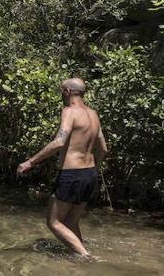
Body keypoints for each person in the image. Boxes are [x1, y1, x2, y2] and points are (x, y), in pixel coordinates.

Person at [17, 78, 109, 259]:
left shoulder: (69, 112)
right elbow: (103, 149)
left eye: (61, 91)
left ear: (67, 91)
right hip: (89, 174)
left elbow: (59, 142)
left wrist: (30, 162)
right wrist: (92, 169)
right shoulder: (93, 114)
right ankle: (77, 259)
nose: (61, 94)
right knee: (71, 221)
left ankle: (85, 257)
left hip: (71, 174)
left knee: (54, 222)